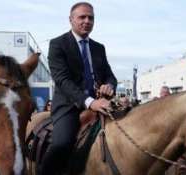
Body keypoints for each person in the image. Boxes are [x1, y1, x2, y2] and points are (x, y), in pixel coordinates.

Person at [40, 2, 117, 175]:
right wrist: (90, 103)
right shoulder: (58, 44)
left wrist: (109, 86)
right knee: (62, 144)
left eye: (91, 17)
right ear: (71, 20)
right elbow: (62, 80)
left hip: (101, 105)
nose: (87, 21)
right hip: (69, 107)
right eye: (82, 17)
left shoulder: (99, 48)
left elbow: (110, 76)